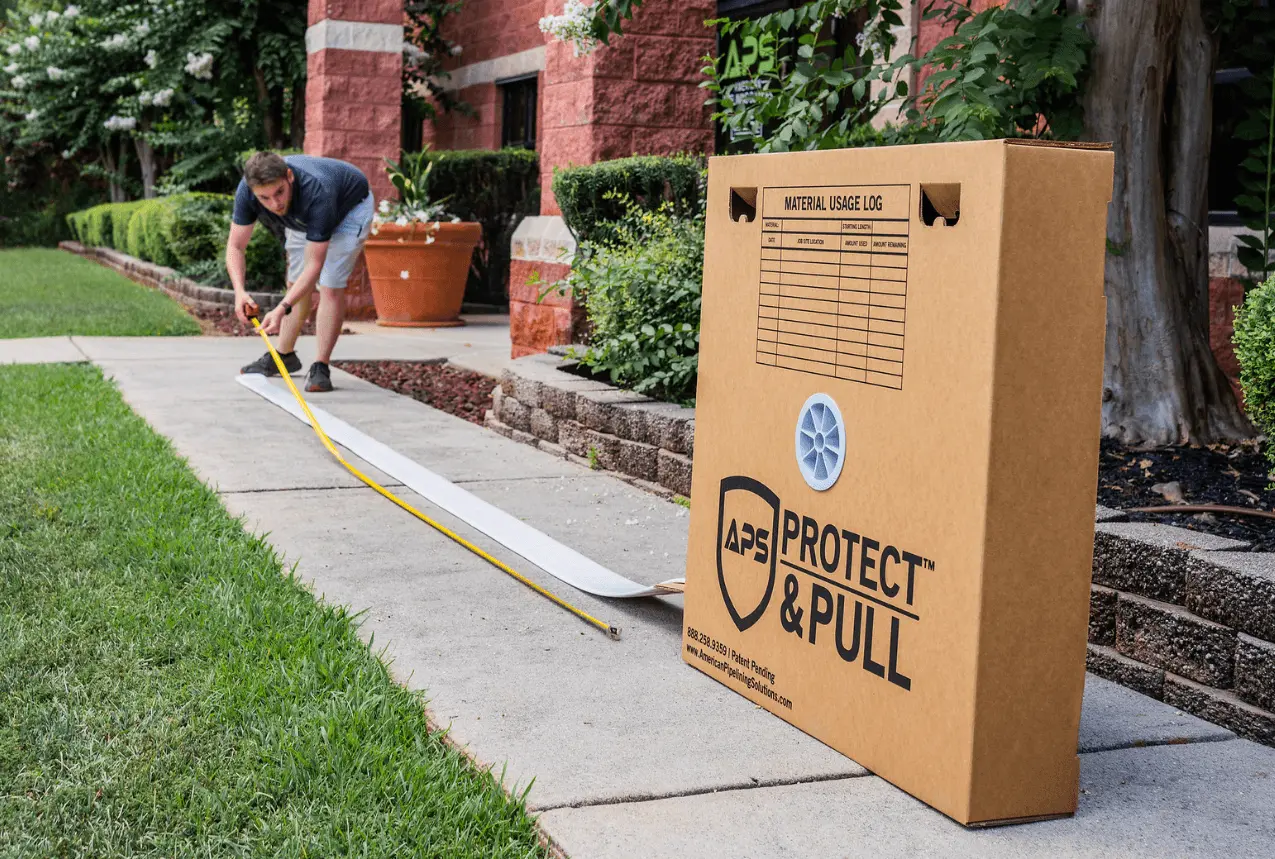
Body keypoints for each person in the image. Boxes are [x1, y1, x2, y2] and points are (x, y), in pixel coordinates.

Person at [227, 151, 375, 392]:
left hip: (349, 210)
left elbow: (314, 266)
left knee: (330, 284)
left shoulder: (318, 191)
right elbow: (235, 246)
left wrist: (281, 308)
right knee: (294, 282)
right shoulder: (247, 191)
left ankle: (321, 366)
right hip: (301, 216)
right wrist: (239, 292)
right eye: (264, 198)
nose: (275, 204)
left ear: (289, 177)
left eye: (279, 192)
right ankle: (283, 356)